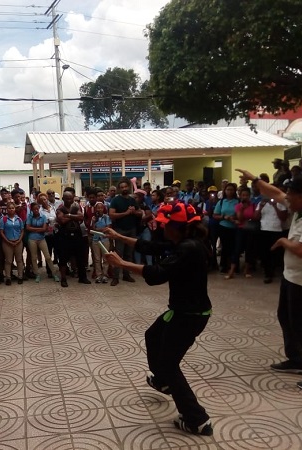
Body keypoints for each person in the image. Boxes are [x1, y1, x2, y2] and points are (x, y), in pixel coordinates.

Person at [103, 202, 213, 436]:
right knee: (153, 335)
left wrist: (122, 264)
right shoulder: (183, 243)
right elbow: (150, 246)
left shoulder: (189, 249)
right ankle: (162, 381)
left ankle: (197, 419)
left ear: (178, 227)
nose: (161, 228)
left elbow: (158, 274)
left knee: (170, 364)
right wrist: (119, 236)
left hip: (189, 316)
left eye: (165, 225)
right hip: (183, 311)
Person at [237, 169, 302, 393]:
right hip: (292, 275)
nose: (287, 199)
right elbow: (274, 193)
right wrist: (254, 179)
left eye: (290, 195)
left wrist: (283, 241)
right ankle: (296, 360)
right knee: (285, 317)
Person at [109, 179, 141, 286]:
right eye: (121, 187)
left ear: (128, 187)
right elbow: (112, 215)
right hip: (120, 230)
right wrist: (126, 213)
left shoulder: (132, 200)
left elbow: (140, 212)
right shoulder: (115, 200)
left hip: (132, 229)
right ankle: (115, 277)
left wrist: (134, 212)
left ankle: (126, 275)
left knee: (129, 254)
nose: (124, 189)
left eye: (125, 187)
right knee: (118, 254)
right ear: (119, 189)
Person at [55, 191, 91, 287]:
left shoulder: (75, 207)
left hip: (77, 235)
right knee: (63, 259)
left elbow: (81, 217)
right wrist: (74, 217)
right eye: (67, 198)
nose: (69, 200)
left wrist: (69, 216)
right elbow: (61, 220)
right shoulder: (60, 209)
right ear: (63, 198)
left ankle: (82, 277)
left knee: (80, 257)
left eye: (71, 198)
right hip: (64, 236)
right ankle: (63, 279)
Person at [26, 202, 59, 283]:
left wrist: (34, 229)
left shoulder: (43, 217)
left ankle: (54, 273)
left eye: (37, 209)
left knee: (47, 256)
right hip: (32, 239)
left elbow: (44, 229)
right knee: (34, 258)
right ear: (31, 210)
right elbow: (27, 228)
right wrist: (38, 229)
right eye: (34, 209)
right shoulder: (29, 217)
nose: (36, 210)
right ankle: (37, 274)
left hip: (41, 238)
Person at [213, 183, 239, 274]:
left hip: (235, 227)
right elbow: (215, 215)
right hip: (223, 226)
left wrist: (235, 218)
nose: (230, 191)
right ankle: (224, 265)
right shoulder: (221, 202)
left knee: (234, 247)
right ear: (225, 191)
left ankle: (234, 266)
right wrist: (224, 217)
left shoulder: (238, 202)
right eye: (228, 190)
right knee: (225, 247)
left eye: (231, 189)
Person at [0, 201, 25, 285]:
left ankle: (20, 276)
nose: (11, 210)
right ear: (7, 209)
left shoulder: (19, 219)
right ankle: (8, 277)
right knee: (8, 261)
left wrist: (19, 240)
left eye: (12, 208)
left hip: (18, 242)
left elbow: (22, 231)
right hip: (7, 242)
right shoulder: (4, 219)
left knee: (19, 260)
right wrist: (8, 241)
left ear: (15, 209)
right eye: (9, 208)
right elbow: (1, 232)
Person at [91, 202, 112, 283]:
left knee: (105, 258)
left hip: (105, 239)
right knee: (97, 258)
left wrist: (98, 229)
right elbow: (92, 228)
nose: (99, 209)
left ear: (103, 209)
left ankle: (105, 274)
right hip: (96, 239)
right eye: (98, 208)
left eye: (101, 208)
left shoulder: (106, 217)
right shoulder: (94, 218)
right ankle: (98, 274)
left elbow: (107, 228)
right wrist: (94, 222)